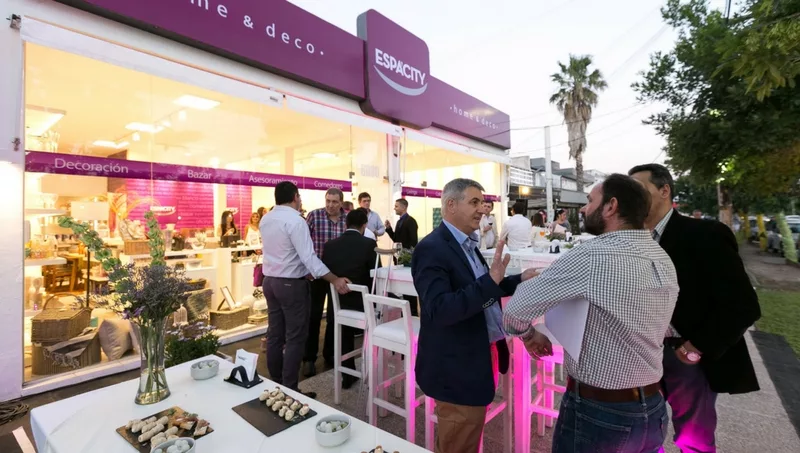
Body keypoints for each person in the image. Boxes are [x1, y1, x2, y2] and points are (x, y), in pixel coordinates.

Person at [504, 174, 680, 453]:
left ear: (611, 206)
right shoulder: (662, 256)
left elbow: (515, 310)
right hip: (653, 409)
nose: (584, 209)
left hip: (600, 413)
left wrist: (528, 335)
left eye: (590, 200)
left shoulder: (593, 255)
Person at [629, 163, 761, 453]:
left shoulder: (705, 234)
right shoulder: (631, 241)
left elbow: (743, 305)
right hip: (640, 353)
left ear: (664, 190)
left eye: (639, 189)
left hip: (684, 354)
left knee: (694, 439)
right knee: (640, 433)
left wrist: (696, 347)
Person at [411, 178, 537, 453]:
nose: (482, 209)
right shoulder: (432, 248)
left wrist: (517, 279)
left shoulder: (466, 244)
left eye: (482, 202)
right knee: (459, 443)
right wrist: (490, 281)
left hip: (475, 357)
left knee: (462, 438)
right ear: (451, 205)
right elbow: (441, 309)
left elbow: (479, 288)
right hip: (456, 369)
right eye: (474, 202)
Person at [259, 181, 351, 395]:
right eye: (299, 196)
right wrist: (335, 279)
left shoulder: (266, 219)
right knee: (295, 336)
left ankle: (276, 383)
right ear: (295, 197)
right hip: (291, 284)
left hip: (270, 281)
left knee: (275, 335)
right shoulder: (296, 221)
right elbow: (309, 258)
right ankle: (290, 389)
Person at [321, 209, 377, 389]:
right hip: (363, 304)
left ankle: (347, 374)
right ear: (364, 225)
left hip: (338, 304)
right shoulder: (369, 244)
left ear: (345, 224)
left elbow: (326, 273)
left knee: (344, 331)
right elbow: (375, 276)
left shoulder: (330, 245)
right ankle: (378, 363)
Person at [302, 188, 348, 377]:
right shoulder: (314, 216)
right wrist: (306, 270)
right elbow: (303, 243)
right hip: (316, 275)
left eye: (334, 202)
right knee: (313, 317)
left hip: (338, 276)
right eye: (328, 200)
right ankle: (309, 358)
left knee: (334, 317)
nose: (330, 205)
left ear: (341, 202)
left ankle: (330, 353)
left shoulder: (347, 219)